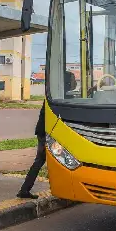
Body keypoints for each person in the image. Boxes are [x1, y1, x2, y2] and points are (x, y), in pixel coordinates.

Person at [17, 71, 76, 199]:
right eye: (73, 80)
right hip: (47, 134)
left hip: (46, 132)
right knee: (47, 160)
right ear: (66, 83)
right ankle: (25, 190)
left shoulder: (56, 94)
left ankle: (25, 189)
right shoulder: (58, 97)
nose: (75, 83)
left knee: (53, 160)